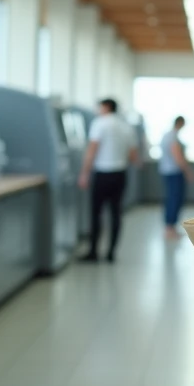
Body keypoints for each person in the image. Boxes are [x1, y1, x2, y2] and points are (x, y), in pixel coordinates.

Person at [79, 98, 139, 264]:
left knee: (96, 213)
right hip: (120, 174)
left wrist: (84, 174)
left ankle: (93, 252)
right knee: (116, 213)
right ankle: (111, 252)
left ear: (106, 107)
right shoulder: (126, 127)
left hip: (102, 174)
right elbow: (134, 157)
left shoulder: (100, 123)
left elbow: (92, 150)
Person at [159, 116, 192, 238]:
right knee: (174, 199)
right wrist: (188, 171)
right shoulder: (172, 136)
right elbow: (177, 156)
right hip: (174, 172)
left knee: (172, 198)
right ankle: (169, 228)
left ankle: (170, 227)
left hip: (168, 171)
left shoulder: (167, 135)